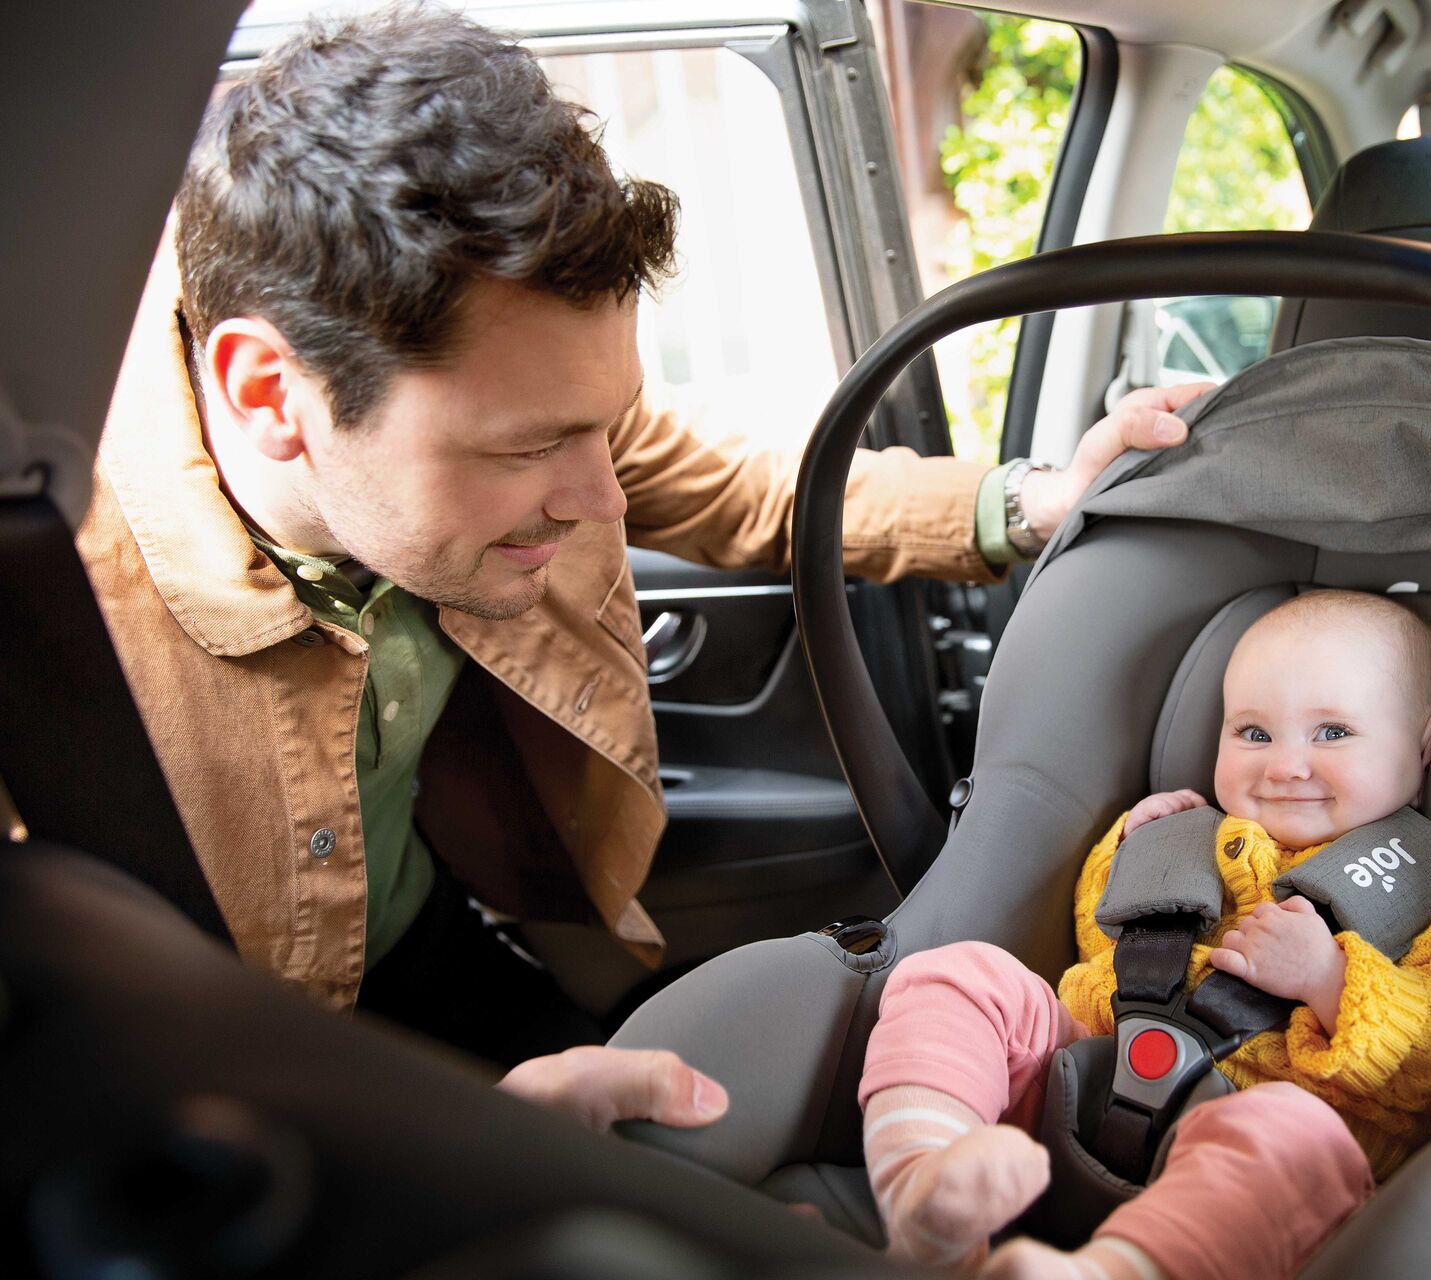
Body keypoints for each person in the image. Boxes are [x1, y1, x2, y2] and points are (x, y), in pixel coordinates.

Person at [74, 1, 1204, 1124]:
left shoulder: (515, 424)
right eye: (525, 446)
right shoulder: (54, 605)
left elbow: (739, 484)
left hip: (420, 936)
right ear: (272, 394)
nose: (603, 497)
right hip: (180, 1073)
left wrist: (1030, 499)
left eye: (601, 426)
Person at [851, 590, 1431, 1279]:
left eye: (1332, 733)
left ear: (1422, 749)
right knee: (959, 975)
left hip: (1251, 1174)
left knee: (1296, 1137)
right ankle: (927, 1189)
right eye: (1254, 733)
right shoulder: (1193, 839)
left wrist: (1331, 981)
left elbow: (1429, 1068)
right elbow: (1100, 948)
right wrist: (1132, 850)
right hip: (1087, 1085)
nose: (1284, 766)